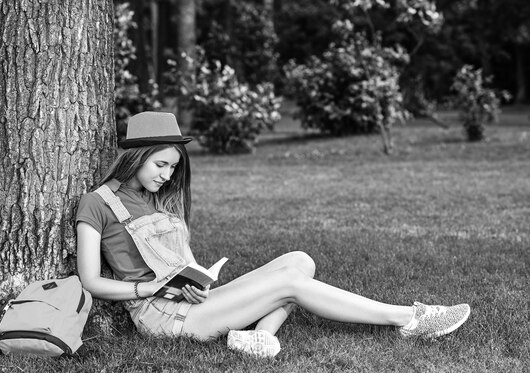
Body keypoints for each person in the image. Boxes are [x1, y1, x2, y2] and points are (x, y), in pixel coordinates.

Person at [76, 111, 471, 357]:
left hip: (192, 302)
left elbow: (182, 261)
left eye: (172, 169)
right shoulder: (97, 203)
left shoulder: (160, 200)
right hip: (163, 318)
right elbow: (91, 281)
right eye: (161, 165)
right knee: (292, 285)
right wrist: (149, 290)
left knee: (300, 261)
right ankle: (408, 319)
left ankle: (257, 338)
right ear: (136, 156)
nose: (166, 177)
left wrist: (196, 281)